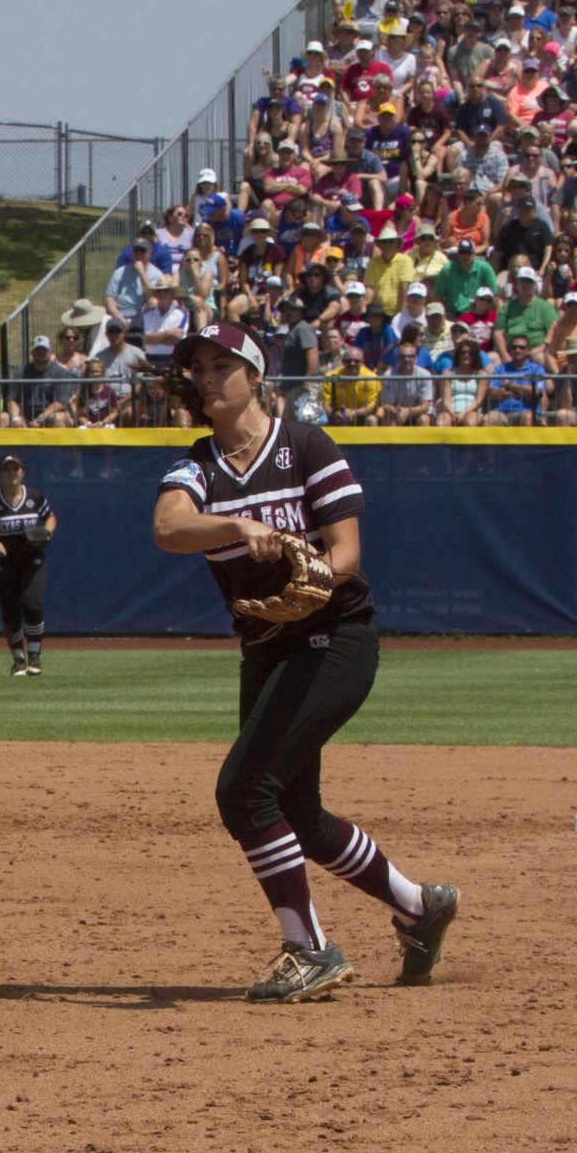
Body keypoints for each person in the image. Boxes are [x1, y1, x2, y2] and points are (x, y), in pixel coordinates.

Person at [153, 321, 459, 1002]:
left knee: (243, 790)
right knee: (298, 811)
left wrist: (315, 575)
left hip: (335, 638)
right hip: (266, 647)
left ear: (255, 376)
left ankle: (309, 947)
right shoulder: (196, 466)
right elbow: (170, 526)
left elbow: (347, 550)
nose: (206, 376)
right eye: (197, 366)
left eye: (221, 364)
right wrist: (239, 526)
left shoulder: (305, 445)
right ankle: (419, 905)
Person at [0, 454, 56, 676]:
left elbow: (50, 517)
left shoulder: (34, 497)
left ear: (22, 472)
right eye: (7, 470)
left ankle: (34, 656)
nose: (12, 473)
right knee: (10, 611)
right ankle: (18, 659)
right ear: (0, 474)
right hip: (5, 561)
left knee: (32, 604)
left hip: (32, 558)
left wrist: (47, 532)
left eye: (15, 469)